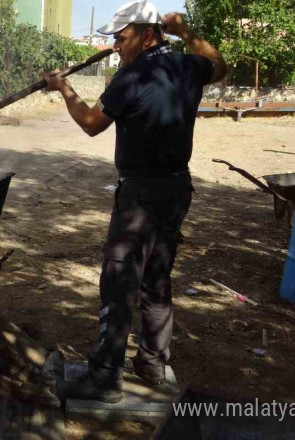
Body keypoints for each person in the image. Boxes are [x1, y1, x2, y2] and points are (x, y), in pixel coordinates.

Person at [41, 0, 227, 402]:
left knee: (119, 280)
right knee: (157, 277)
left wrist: (64, 87)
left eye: (121, 40)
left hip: (140, 195)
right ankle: (153, 362)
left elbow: (92, 124)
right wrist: (188, 33)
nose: (114, 48)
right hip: (177, 190)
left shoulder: (133, 77)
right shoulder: (187, 65)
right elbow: (220, 64)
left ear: (146, 35)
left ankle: (105, 378)